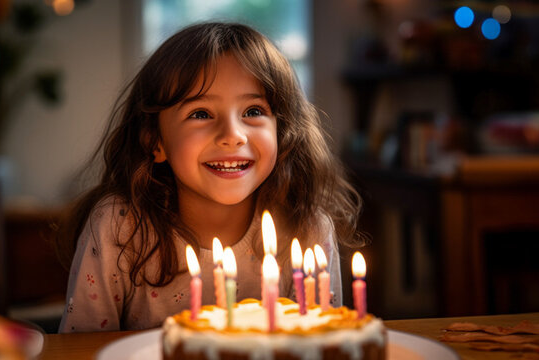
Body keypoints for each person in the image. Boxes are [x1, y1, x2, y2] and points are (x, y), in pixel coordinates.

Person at [55, 22, 364, 332]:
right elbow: (80, 347)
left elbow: (321, 343)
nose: (232, 136)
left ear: (282, 133)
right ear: (154, 140)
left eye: (253, 111)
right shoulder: (118, 228)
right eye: (200, 114)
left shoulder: (307, 229)